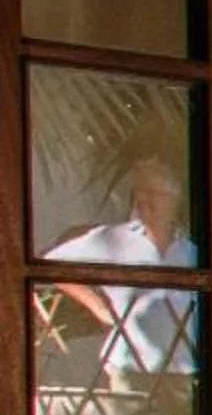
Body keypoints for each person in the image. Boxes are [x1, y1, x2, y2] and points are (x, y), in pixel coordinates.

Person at [45, 154, 200, 376]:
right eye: (140, 192)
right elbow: (51, 265)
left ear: (173, 200)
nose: (143, 199)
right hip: (129, 367)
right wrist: (97, 306)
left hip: (183, 370)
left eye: (153, 193)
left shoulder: (190, 252)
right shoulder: (114, 239)